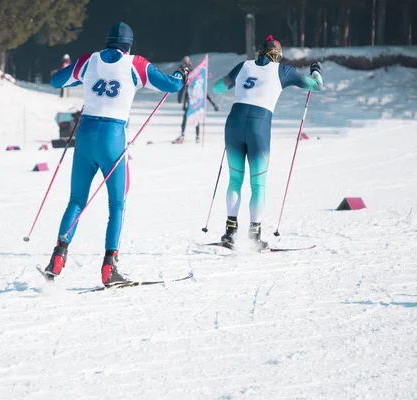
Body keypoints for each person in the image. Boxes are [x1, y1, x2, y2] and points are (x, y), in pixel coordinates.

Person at [44, 22, 189, 286]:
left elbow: (56, 80)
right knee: (117, 204)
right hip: (112, 137)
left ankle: (58, 255)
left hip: (85, 134)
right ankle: (109, 267)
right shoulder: (136, 64)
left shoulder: (90, 59)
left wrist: (78, 73)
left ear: (107, 41)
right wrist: (182, 74)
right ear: (129, 44)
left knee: (76, 199)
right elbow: (172, 86)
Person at [211, 35, 323, 250]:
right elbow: (316, 86)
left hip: (233, 123)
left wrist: (231, 81)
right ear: (278, 55)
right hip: (259, 127)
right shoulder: (282, 70)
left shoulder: (244, 65)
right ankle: (254, 235)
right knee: (257, 184)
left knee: (235, 180)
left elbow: (217, 88)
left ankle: (230, 232)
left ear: (261, 52)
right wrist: (315, 69)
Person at [174, 56, 219, 144]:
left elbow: (200, 90)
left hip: (193, 98)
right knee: (188, 116)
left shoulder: (191, 72)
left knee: (194, 117)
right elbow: (182, 85)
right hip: (189, 98)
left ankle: (195, 136)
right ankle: (186, 135)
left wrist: (213, 103)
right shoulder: (186, 70)